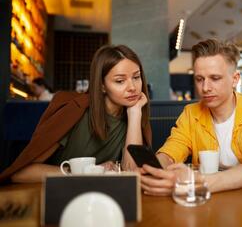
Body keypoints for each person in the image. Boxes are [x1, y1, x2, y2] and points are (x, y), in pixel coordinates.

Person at [139, 39, 242, 195]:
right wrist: (156, 169)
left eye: (215, 78)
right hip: (207, 203)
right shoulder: (191, 113)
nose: (205, 88)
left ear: (235, 79)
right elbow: (170, 151)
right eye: (199, 79)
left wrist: (196, 182)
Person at [0, 45, 152, 183]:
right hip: (58, 196)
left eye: (136, 77)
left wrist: (134, 114)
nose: (132, 87)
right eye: (120, 81)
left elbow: (131, 173)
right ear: (102, 86)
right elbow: (21, 173)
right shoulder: (75, 111)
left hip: (102, 201)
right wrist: (86, 173)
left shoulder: (134, 114)